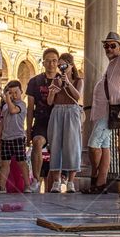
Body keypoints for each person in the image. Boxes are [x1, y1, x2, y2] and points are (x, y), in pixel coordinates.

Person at [84, 32, 120, 194]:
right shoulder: (112, 63)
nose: (108, 48)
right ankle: (100, 184)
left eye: (112, 45)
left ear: (119, 47)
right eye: (106, 46)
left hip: (108, 111)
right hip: (103, 111)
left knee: (94, 145)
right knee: (104, 146)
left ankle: (95, 176)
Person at [45, 52, 82, 193]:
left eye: (64, 65)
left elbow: (77, 96)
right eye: (59, 65)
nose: (61, 68)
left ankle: (71, 181)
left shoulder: (78, 80)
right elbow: (49, 102)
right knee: (55, 145)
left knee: (72, 145)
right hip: (58, 111)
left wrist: (67, 82)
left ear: (71, 66)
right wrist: (53, 91)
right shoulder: (55, 80)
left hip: (72, 111)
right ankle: (56, 181)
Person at [25, 48, 60, 194]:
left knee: (57, 149)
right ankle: (36, 180)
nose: (51, 64)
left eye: (54, 61)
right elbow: (30, 107)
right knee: (38, 142)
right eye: (48, 61)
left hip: (58, 119)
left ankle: (56, 182)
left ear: (57, 63)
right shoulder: (35, 81)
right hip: (41, 119)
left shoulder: (62, 80)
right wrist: (28, 130)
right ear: (43, 62)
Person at [0, 80, 32, 193]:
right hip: (6, 138)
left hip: (18, 137)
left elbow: (13, 110)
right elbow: (2, 122)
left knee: (22, 162)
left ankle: (27, 185)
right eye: (11, 93)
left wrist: (4, 96)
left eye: (16, 92)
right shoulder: (6, 105)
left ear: (21, 91)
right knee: (5, 163)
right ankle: (2, 186)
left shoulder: (22, 104)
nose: (14, 95)